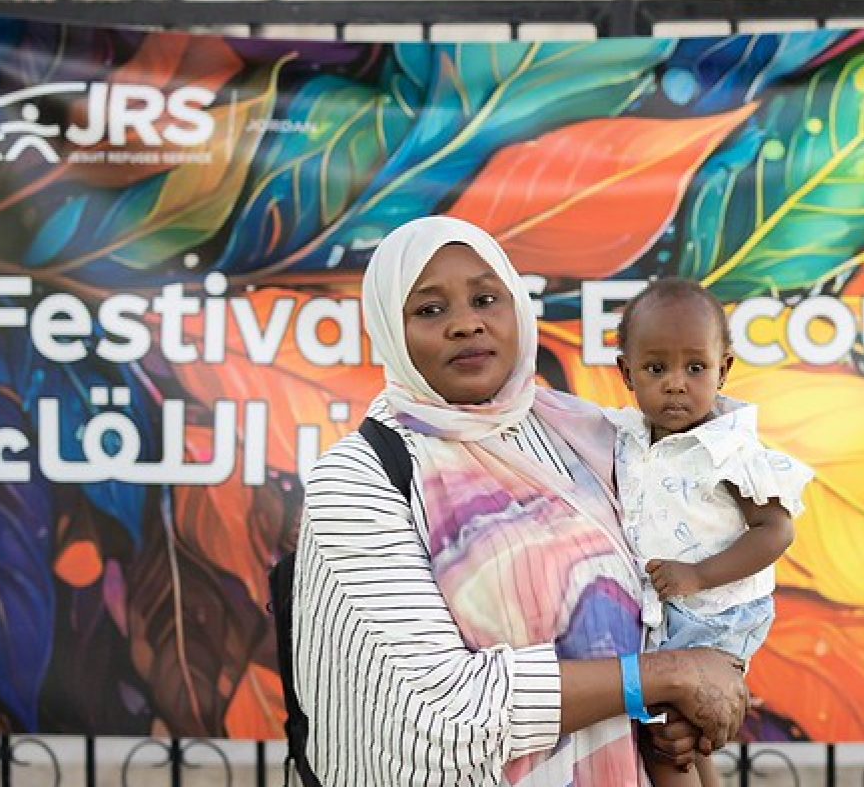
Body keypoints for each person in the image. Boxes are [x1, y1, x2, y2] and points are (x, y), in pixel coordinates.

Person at [293, 217, 749, 785]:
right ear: (389, 327)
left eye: (487, 298)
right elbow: (438, 711)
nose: (466, 324)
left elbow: (674, 591)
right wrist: (657, 677)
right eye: (430, 310)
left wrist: (680, 704)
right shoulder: (360, 478)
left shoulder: (582, 437)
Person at [610, 277, 815, 787]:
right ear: (627, 374)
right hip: (670, 613)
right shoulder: (628, 437)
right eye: (656, 368)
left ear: (723, 370)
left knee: (665, 737)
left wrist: (701, 574)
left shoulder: (728, 448)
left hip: (713, 614)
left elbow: (775, 530)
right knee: (689, 741)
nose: (676, 383)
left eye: (695, 367)